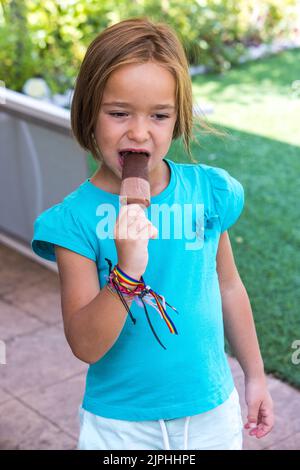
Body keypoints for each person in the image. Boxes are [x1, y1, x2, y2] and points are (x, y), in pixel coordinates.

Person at [31, 17, 274, 450]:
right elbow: (85, 344)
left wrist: (254, 376)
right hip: (119, 425)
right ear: (89, 112)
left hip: (211, 414)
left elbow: (229, 285)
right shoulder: (73, 222)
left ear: (177, 119)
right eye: (119, 113)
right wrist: (126, 272)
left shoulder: (207, 193)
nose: (139, 131)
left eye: (159, 115)